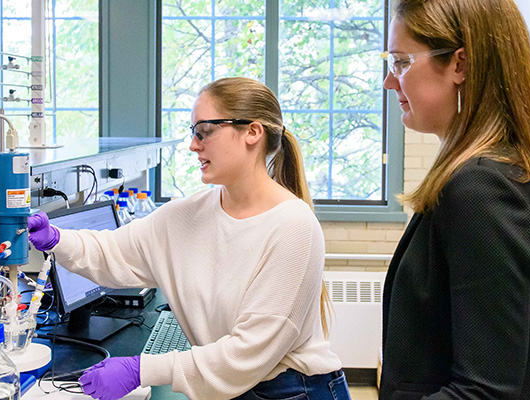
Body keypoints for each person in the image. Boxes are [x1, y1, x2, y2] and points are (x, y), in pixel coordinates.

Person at [27, 77, 350, 400]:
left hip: (293, 391)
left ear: (253, 132)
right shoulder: (188, 215)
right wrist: (55, 239)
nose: (194, 145)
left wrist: (142, 369)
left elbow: (246, 354)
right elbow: (114, 251)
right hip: (236, 388)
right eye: (193, 132)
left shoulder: (293, 226)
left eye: (205, 131)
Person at [378, 0, 530, 398]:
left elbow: (484, 392)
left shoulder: (482, 190)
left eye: (401, 62)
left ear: (459, 65)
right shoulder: (499, 173)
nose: (390, 82)